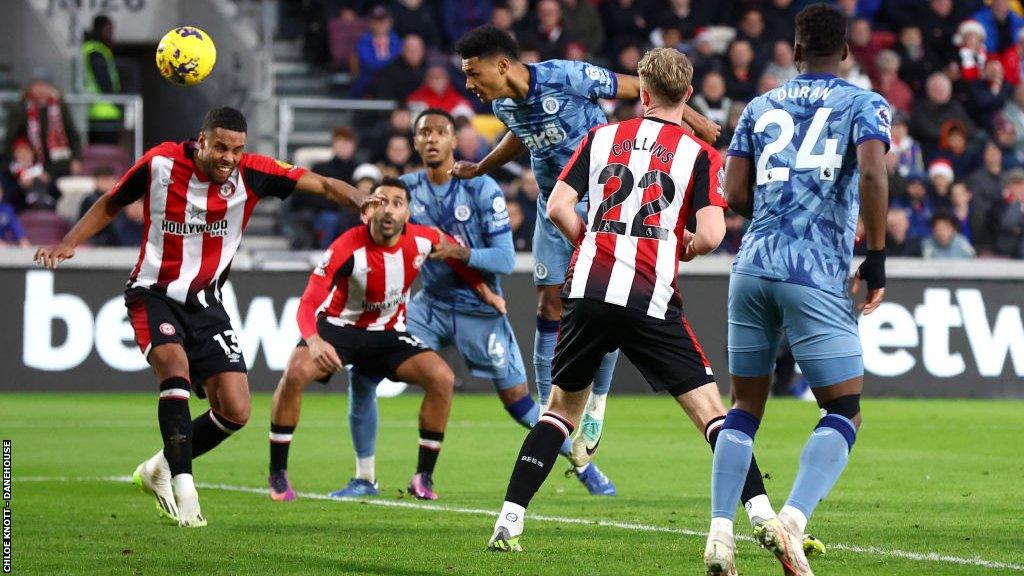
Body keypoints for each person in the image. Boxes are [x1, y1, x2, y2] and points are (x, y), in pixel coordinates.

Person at [485, 46, 789, 555]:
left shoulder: (601, 137)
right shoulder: (699, 154)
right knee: (713, 415)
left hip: (587, 286)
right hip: (649, 294)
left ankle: (509, 520)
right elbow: (712, 235)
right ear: (688, 95)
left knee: (559, 411)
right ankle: (761, 513)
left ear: (642, 93)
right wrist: (684, 246)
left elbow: (558, 204)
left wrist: (588, 240)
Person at [34, 107, 376, 527]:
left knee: (235, 411)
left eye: (237, 149)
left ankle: (159, 467)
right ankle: (184, 486)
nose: (228, 157)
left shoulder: (253, 173)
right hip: (153, 292)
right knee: (173, 370)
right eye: (220, 146)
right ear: (201, 140)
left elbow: (321, 183)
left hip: (207, 302)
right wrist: (70, 242)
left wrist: (358, 196)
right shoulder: (160, 163)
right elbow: (112, 201)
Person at [451, 25, 720, 478]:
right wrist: (481, 166)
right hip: (553, 204)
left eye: (473, 74)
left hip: (602, 205)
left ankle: (594, 404)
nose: (469, 86)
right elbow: (519, 134)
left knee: (602, 293)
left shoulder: (566, 76)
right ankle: (550, 409)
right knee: (549, 301)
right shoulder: (502, 104)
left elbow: (642, 86)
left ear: (502, 65)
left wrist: (694, 121)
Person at [335, 108, 615, 498]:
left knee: (520, 403)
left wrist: (459, 253)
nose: (431, 139)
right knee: (362, 375)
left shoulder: (482, 188)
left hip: (479, 311)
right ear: (414, 143)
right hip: (427, 307)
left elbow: (503, 259)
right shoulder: (404, 191)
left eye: (440, 132)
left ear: (454, 141)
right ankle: (365, 478)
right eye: (424, 133)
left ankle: (583, 462)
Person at [706, 5, 890, 575]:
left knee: (743, 409)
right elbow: (876, 174)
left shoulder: (760, 105)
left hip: (752, 266)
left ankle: (719, 536)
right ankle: (790, 523)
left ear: (795, 47)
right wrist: (877, 258)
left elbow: (734, 194)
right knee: (845, 409)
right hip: (813, 274)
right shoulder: (863, 103)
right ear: (848, 51)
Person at [266, 178, 505, 501]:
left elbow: (453, 256)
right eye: (381, 201)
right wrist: (315, 340)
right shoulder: (346, 247)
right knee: (294, 374)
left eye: (397, 202)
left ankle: (423, 477)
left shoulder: (423, 239)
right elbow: (308, 303)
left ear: (407, 213)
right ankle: (278, 472)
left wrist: (486, 293)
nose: (389, 208)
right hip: (340, 330)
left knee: (442, 378)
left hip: (389, 333)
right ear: (367, 212)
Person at [82, 14, 122, 144]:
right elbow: (104, 81)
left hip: (96, 110)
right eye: (109, 29)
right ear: (99, 29)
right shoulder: (96, 51)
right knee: (105, 156)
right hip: (104, 112)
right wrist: (116, 102)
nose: (111, 34)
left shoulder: (92, 48)